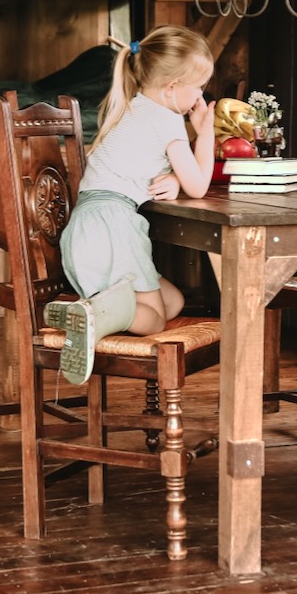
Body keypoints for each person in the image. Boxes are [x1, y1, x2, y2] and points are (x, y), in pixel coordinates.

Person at [54, 25, 216, 384]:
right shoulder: (169, 120)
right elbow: (199, 185)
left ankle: (96, 314)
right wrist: (205, 132)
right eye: (199, 87)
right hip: (115, 226)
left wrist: (173, 178)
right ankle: (90, 314)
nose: (201, 96)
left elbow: (158, 170)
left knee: (170, 302)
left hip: (87, 229)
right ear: (173, 88)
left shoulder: (129, 106)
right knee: (155, 319)